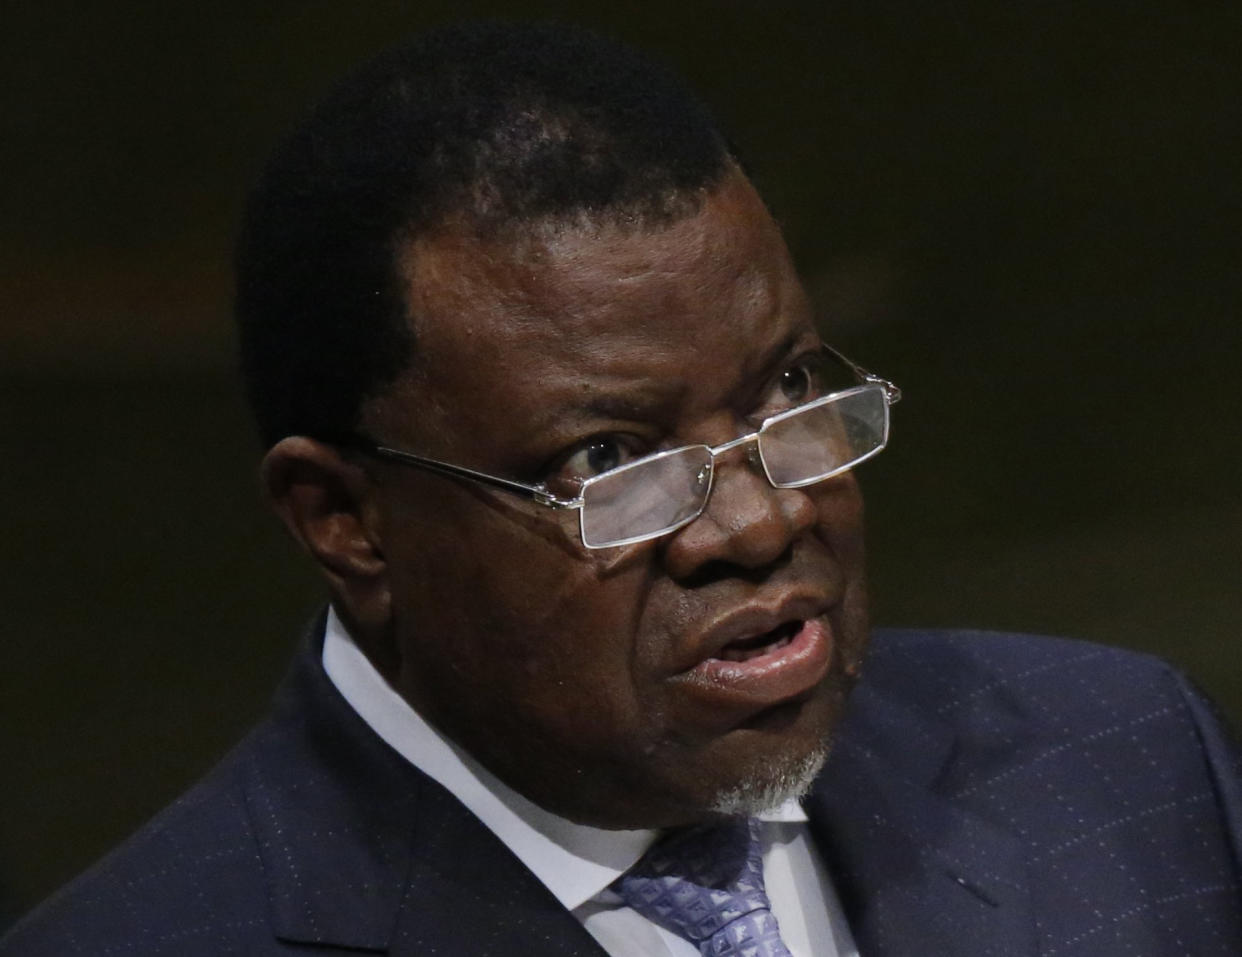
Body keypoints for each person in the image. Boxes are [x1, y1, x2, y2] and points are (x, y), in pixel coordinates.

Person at [3, 20, 1240, 957]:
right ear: (348, 524)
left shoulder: (1124, 763)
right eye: (609, 458)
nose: (761, 519)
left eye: (787, 387)